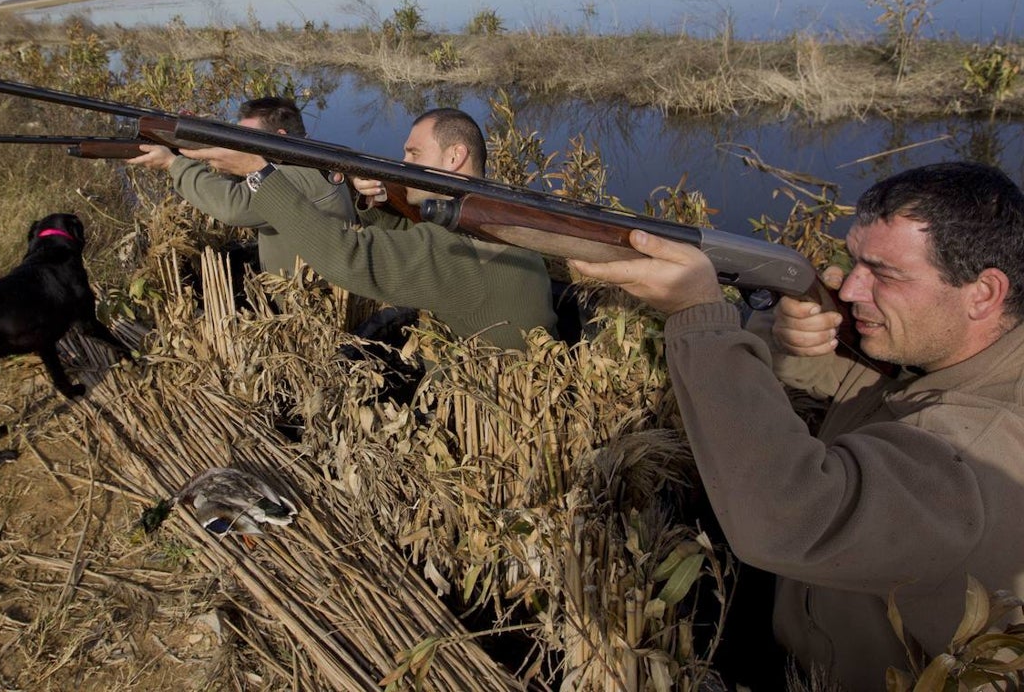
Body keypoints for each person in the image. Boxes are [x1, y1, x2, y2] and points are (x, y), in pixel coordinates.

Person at [569, 161, 1024, 690]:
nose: (851, 288)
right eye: (853, 262)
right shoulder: (939, 357)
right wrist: (786, 333)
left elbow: (794, 517)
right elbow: (866, 391)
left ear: (985, 293)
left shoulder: (983, 447)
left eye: (886, 273)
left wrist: (697, 315)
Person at [161, 107, 558, 351]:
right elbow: (412, 239)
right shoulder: (494, 216)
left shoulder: (463, 252)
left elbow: (347, 258)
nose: (402, 163)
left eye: (413, 154)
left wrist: (256, 172)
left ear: (455, 156)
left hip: (485, 404)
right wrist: (381, 202)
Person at [128, 96, 355, 277]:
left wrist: (172, 163)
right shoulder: (311, 160)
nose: (240, 146)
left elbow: (233, 206)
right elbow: (249, 174)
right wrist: (203, 138)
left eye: (247, 138)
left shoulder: (300, 176)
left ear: (280, 137)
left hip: (307, 306)